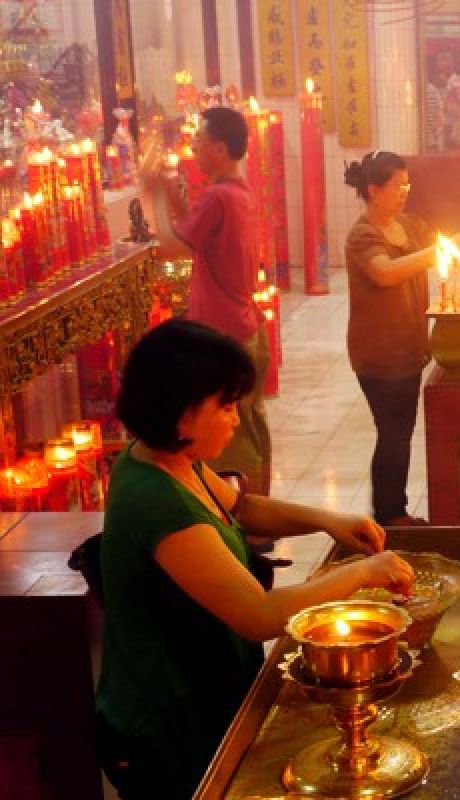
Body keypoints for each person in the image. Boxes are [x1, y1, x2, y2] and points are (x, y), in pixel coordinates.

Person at [95, 319, 416, 799]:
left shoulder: (170, 459)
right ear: (182, 415)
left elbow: (240, 507)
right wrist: (363, 572)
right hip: (169, 724)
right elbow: (259, 615)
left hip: (208, 696)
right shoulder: (155, 500)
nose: (234, 417)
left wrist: (327, 520)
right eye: (224, 406)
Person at [343, 152, 460, 527]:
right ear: (373, 190)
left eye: (407, 184)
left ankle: (392, 510)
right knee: (393, 432)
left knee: (400, 430)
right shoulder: (363, 236)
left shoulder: (410, 226)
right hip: (379, 354)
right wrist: (438, 253)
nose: (404, 192)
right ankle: (389, 514)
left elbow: (443, 244)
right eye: (396, 186)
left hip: (409, 346)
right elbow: (385, 273)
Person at [140, 107, 271, 495]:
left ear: (219, 148)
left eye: (199, 140)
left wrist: (152, 190)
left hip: (223, 336)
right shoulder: (235, 192)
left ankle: (244, 518)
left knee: (231, 436)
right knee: (249, 422)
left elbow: (172, 246)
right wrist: (166, 189)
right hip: (244, 327)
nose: (193, 146)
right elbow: (195, 232)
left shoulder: (217, 197)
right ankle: (258, 512)